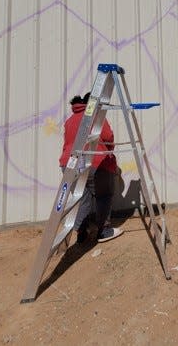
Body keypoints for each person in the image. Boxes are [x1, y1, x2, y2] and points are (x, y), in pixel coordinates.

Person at [59, 92, 123, 243]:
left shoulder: (70, 120)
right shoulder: (96, 116)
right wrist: (108, 152)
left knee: (82, 199)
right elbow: (108, 137)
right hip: (94, 162)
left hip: (69, 165)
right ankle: (104, 230)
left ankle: (82, 232)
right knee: (103, 195)